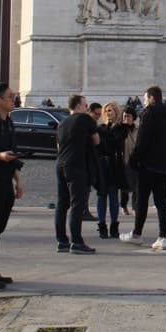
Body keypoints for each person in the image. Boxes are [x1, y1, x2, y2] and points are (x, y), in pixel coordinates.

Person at [119, 85, 166, 250]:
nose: (144, 103)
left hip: (148, 165)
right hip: (165, 166)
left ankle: (137, 234)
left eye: (145, 99)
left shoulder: (149, 112)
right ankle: (162, 236)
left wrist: (134, 159)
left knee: (142, 200)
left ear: (151, 99)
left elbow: (142, 139)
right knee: (161, 201)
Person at [0, 84, 23, 289]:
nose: (14, 99)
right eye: (10, 96)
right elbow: (1, 154)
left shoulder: (8, 122)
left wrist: (18, 179)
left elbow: (11, 154)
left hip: (3, 182)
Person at [55, 94, 99, 254]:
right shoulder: (85, 119)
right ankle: (77, 242)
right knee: (77, 203)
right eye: (85, 105)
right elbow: (97, 140)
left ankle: (61, 241)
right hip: (76, 165)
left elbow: (58, 146)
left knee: (62, 203)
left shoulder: (62, 123)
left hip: (60, 164)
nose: (87, 108)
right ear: (79, 106)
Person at [96, 102, 126, 239]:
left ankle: (114, 226)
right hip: (102, 166)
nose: (108, 113)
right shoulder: (101, 128)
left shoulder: (119, 129)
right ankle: (102, 226)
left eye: (111, 111)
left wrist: (107, 132)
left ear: (116, 113)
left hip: (114, 166)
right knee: (101, 197)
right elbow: (100, 145)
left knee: (113, 197)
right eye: (107, 111)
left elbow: (115, 142)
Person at [120, 106, 138, 215]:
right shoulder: (119, 130)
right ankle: (123, 205)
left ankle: (135, 207)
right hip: (123, 161)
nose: (127, 118)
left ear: (133, 118)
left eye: (129, 116)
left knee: (136, 186)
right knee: (124, 187)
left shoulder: (137, 130)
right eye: (125, 116)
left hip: (135, 161)